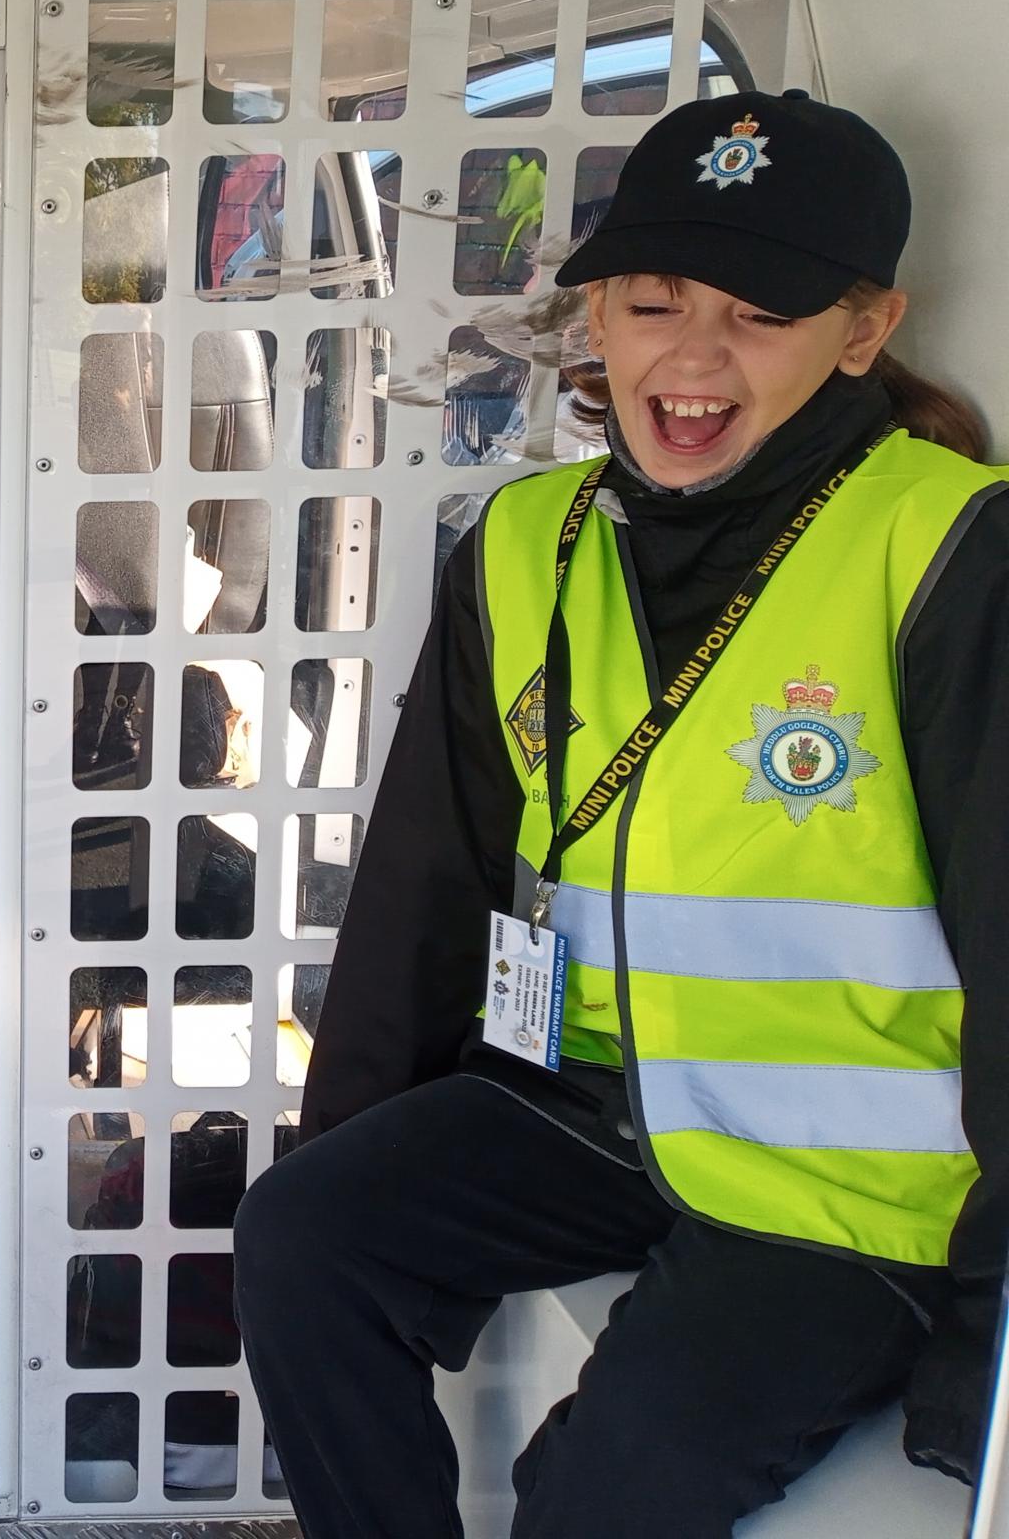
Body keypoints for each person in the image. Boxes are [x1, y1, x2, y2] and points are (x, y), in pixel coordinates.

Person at [232, 91, 1004, 1536]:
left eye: (758, 315)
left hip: (843, 1184)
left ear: (866, 328)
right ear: (599, 318)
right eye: (651, 303)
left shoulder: (948, 545)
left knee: (597, 1493)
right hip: (590, 1110)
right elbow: (427, 882)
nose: (690, 358)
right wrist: (346, 1158)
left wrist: (990, 1351)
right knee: (304, 1235)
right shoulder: (529, 540)